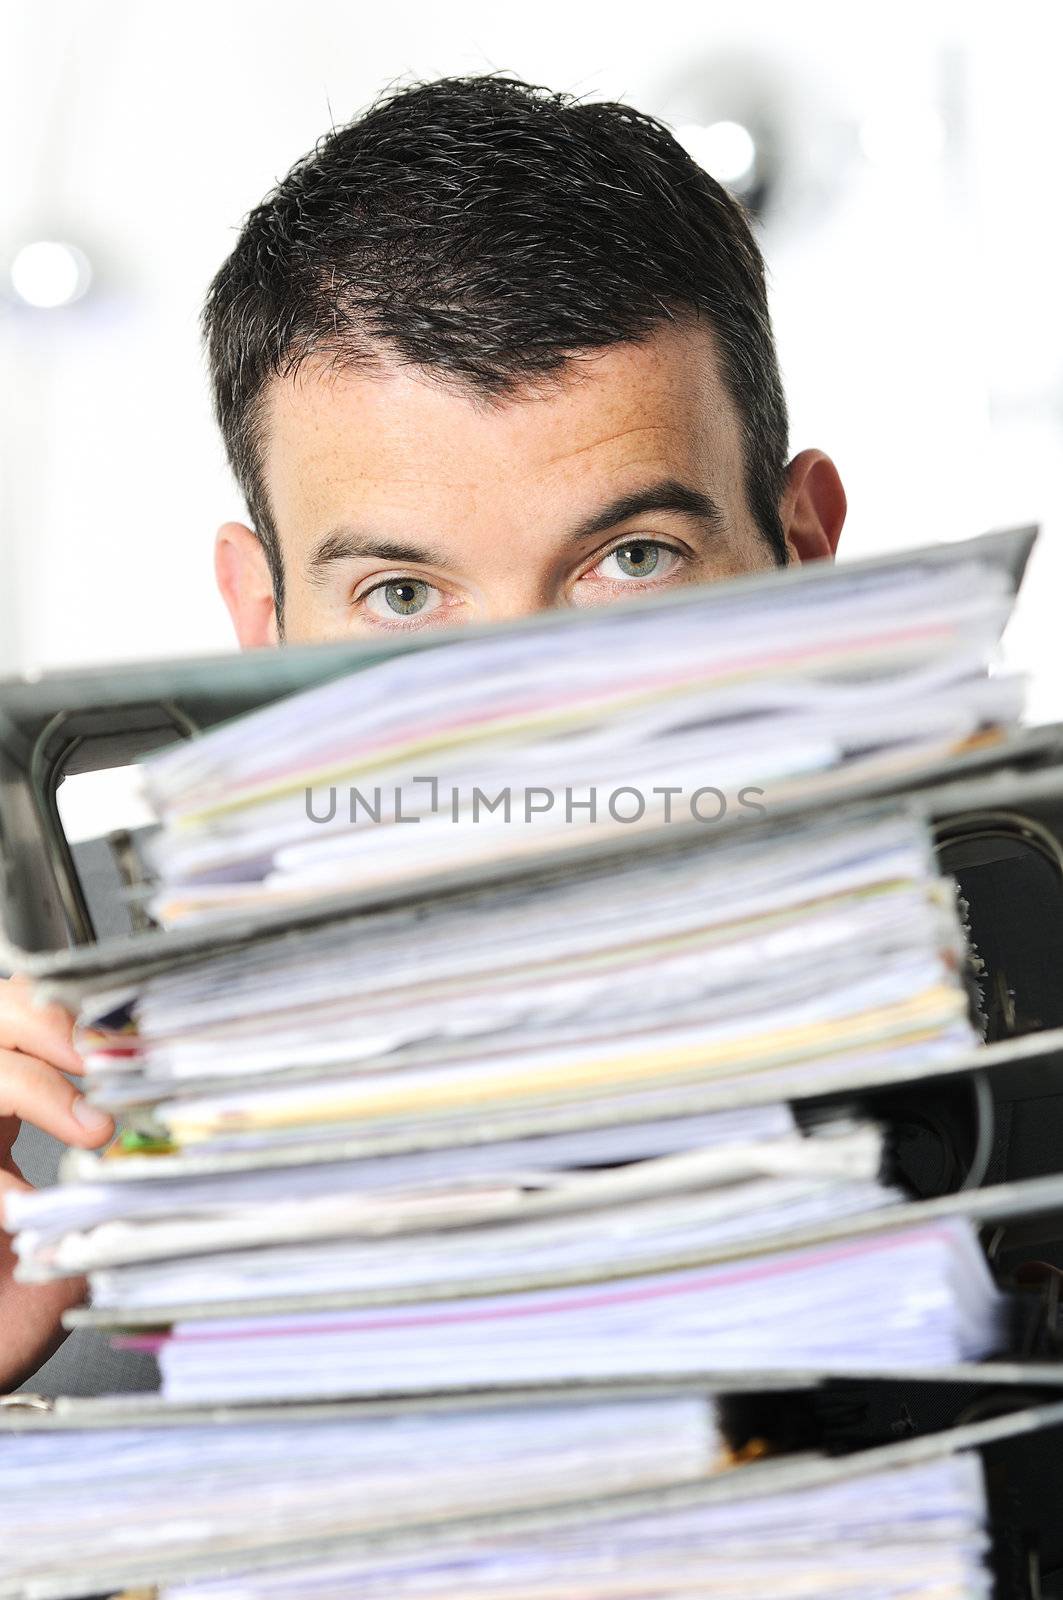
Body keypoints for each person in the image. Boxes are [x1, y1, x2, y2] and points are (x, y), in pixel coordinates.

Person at [1, 73, 846, 1395]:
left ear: (803, 550)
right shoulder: (52, 1068)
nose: (513, 720)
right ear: (259, 616)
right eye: (404, 596)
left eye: (631, 559)